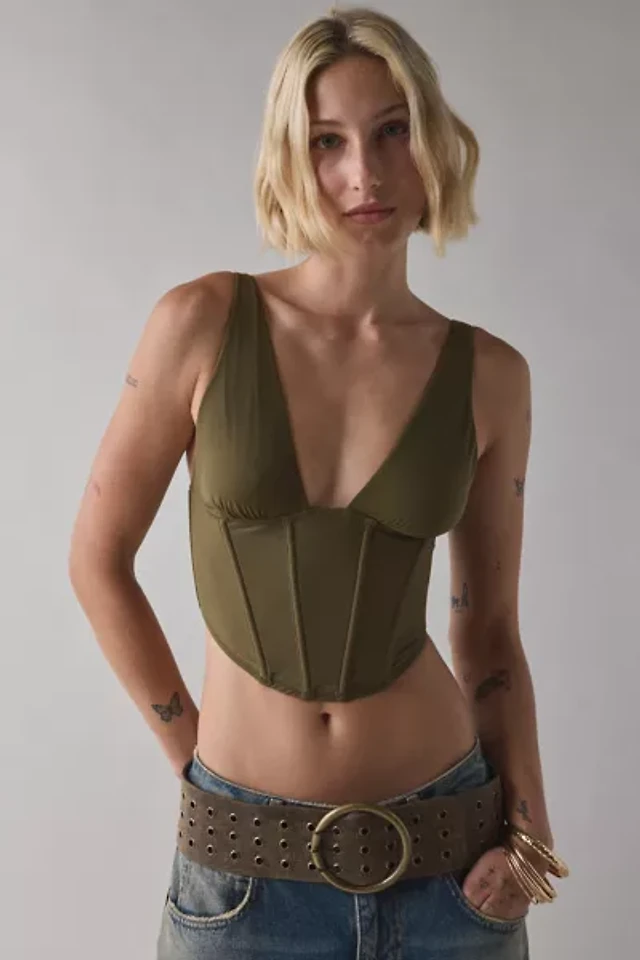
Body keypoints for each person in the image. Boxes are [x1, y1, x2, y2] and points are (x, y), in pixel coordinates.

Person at [68, 5, 569, 958]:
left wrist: (529, 829)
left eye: (393, 131)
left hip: (450, 865)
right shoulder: (200, 323)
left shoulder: (491, 376)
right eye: (327, 140)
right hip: (244, 873)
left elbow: (491, 632)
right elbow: (97, 561)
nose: (364, 174)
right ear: (289, 157)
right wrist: (195, 762)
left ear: (434, 140)